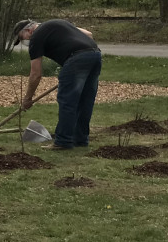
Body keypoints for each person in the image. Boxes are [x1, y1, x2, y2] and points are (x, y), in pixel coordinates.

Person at [12, 18, 102, 150]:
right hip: (95, 55)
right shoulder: (58, 24)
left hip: (76, 59)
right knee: (85, 101)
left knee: (67, 101)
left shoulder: (36, 37)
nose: (24, 42)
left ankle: (63, 141)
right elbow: (88, 34)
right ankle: (80, 139)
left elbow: (36, 74)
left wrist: (28, 98)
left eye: (22, 37)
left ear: (28, 30)